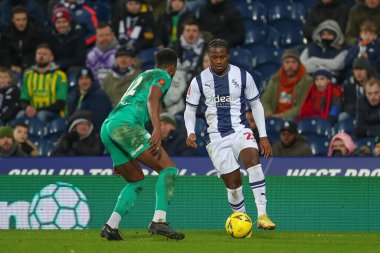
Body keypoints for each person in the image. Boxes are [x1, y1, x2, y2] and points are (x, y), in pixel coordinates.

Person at [184, 39, 276, 230]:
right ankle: (241, 221)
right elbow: (190, 109)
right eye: (214, 57)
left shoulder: (242, 76)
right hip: (215, 136)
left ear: (228, 56)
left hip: (240, 129)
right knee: (233, 184)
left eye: (222, 57)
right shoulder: (199, 81)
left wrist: (263, 136)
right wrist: (190, 132)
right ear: (208, 58)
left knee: (253, 159)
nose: (218, 61)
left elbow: (256, 105)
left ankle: (262, 215)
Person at [100, 48, 185, 240]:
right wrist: (157, 127)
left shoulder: (144, 75)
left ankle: (110, 226)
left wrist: (118, 153)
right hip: (125, 126)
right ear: (173, 67)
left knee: (136, 180)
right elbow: (152, 99)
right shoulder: (164, 76)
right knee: (168, 169)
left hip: (109, 126)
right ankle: (159, 221)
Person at [18, 43, 68, 124]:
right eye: (39, 53)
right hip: (33, 111)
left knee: (41, 115)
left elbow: (60, 103)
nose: (41, 56)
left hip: (54, 113)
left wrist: (37, 110)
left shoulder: (60, 76)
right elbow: (23, 99)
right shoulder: (28, 75)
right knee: (20, 115)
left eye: (45, 54)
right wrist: (27, 108)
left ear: (51, 58)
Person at [261, 50, 313, 120]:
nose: (290, 66)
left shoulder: (307, 81)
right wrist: (269, 115)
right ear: (283, 64)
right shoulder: (275, 79)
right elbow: (264, 100)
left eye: (293, 62)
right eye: (287, 62)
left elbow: (302, 106)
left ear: (299, 64)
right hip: (273, 117)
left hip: (294, 119)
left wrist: (280, 117)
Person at [67, 67, 112, 134]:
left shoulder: (100, 96)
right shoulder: (75, 95)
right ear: (78, 81)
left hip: (94, 136)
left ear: (92, 80)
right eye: (81, 79)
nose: (84, 82)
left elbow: (100, 122)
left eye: (87, 78)